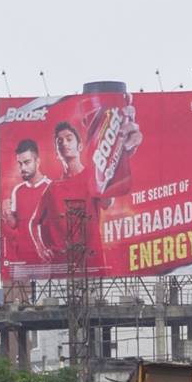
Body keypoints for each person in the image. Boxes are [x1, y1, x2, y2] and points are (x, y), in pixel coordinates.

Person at [29, 112, 142, 274]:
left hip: (92, 264)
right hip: (63, 269)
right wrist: (41, 249)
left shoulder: (94, 175)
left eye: (69, 139)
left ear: (80, 146)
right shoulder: (53, 188)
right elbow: (32, 222)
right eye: (59, 141)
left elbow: (106, 203)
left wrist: (118, 163)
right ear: (56, 152)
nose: (64, 143)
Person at [3, 139, 50, 274]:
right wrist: (7, 215)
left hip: (47, 262)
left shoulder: (51, 187)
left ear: (38, 161)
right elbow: (14, 224)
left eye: (27, 162)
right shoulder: (17, 190)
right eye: (20, 164)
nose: (22, 168)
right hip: (23, 262)